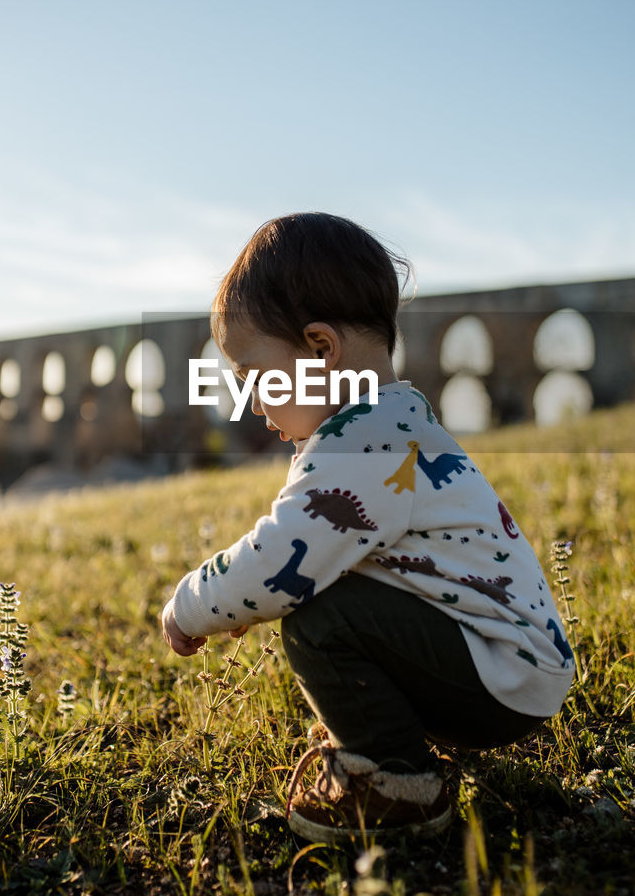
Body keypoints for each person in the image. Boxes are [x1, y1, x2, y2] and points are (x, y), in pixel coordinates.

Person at [160, 213, 575, 842]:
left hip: (499, 678)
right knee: (332, 597)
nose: (250, 403)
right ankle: (385, 736)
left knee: (320, 617)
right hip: (508, 665)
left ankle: (397, 783)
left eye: (254, 377)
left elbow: (279, 562)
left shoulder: (362, 443)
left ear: (321, 349)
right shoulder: (389, 422)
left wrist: (192, 605)